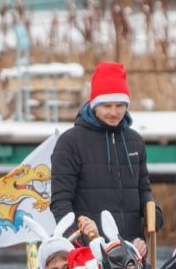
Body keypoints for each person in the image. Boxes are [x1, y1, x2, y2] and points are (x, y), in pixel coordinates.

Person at [50, 61, 153, 256]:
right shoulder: (70, 142)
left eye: (120, 105)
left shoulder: (135, 141)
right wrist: (80, 243)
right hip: (90, 252)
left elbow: (143, 191)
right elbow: (61, 202)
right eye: (107, 105)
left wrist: (153, 217)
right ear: (94, 105)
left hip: (131, 251)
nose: (114, 112)